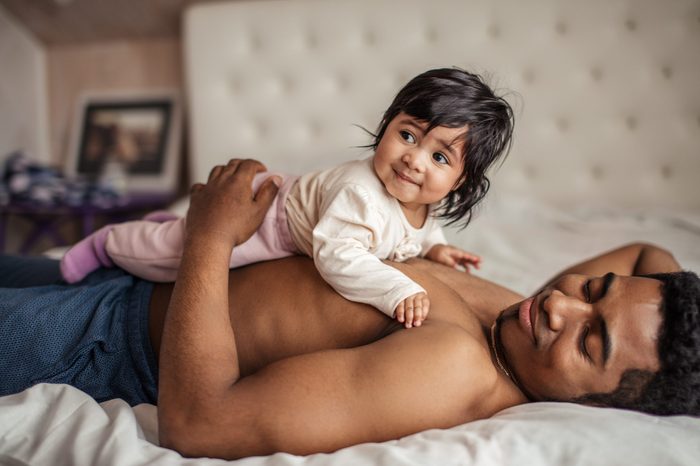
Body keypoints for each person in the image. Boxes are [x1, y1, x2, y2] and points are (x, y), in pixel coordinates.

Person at [1, 160, 699, 460]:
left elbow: (200, 424)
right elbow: (647, 255)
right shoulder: (525, 315)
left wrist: (212, 235)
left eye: (592, 343)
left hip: (101, 339)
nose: (563, 305)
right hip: (127, 277)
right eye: (592, 291)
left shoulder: (452, 366)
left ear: (611, 407)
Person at [59, 67, 515, 328]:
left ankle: (159, 224)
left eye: (439, 157)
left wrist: (435, 247)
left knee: (175, 242)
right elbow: (337, 258)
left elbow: (416, 225)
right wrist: (396, 288)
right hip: (268, 220)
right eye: (409, 135)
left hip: (297, 203)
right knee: (172, 256)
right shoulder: (361, 193)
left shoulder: (421, 200)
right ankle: (110, 242)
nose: (414, 160)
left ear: (459, 182)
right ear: (388, 124)